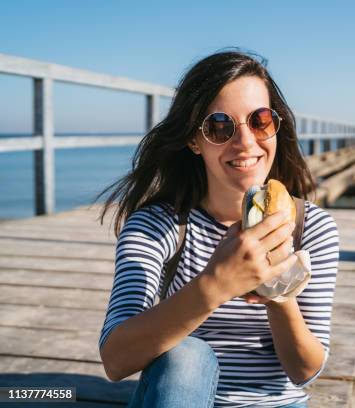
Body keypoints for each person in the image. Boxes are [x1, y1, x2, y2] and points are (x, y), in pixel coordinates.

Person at [96, 50, 340, 407]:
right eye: (220, 127)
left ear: (277, 127)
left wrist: (276, 292)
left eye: (260, 121)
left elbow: (305, 370)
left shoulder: (311, 227)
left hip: (276, 402)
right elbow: (116, 360)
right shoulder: (159, 227)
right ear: (193, 140)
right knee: (186, 356)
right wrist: (216, 284)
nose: (245, 142)